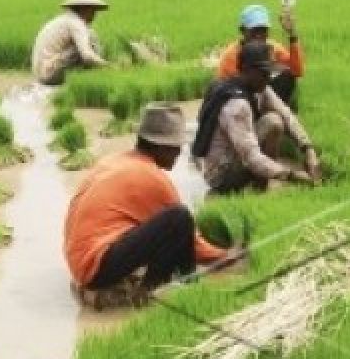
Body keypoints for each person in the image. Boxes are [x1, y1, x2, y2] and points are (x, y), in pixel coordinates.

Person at [64, 103, 239, 306]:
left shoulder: (115, 161)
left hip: (79, 259)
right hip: (96, 264)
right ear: (160, 146)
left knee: (166, 224)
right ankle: (154, 290)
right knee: (179, 218)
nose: (178, 153)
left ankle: (180, 284)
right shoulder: (151, 177)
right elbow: (191, 240)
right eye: (175, 148)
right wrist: (224, 256)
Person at [194, 41, 321, 195]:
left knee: (274, 120)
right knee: (272, 124)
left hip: (233, 155)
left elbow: (286, 114)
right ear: (247, 70)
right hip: (221, 174)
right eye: (264, 73)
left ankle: (260, 187)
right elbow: (251, 158)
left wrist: (308, 149)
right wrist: (291, 175)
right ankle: (259, 191)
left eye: (269, 73)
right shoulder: (237, 105)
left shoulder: (259, 88)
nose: (268, 78)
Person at [216, 4, 305, 108]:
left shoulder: (273, 48)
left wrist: (292, 34)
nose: (259, 35)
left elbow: (296, 71)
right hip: (237, 102)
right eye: (255, 31)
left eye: (263, 31)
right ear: (242, 31)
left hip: (261, 97)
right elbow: (227, 91)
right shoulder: (230, 57)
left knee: (287, 76)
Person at [31, 0, 110, 86]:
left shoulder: (65, 20)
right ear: (83, 8)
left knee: (91, 36)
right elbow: (87, 56)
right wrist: (109, 67)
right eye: (92, 10)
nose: (94, 14)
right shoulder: (76, 23)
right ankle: (95, 78)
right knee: (90, 43)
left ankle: (92, 78)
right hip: (49, 73)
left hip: (42, 72)